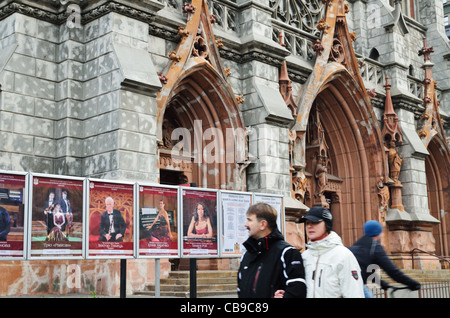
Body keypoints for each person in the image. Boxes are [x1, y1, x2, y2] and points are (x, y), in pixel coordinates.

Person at [238, 202, 306, 298]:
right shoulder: (247, 255)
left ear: (263, 224)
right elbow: (241, 290)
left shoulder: (287, 253)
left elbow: (297, 290)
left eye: (249, 220)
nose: (245, 224)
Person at [299, 206, 364, 298]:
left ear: (327, 224)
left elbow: (354, 292)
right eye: (307, 223)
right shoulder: (305, 256)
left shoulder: (343, 255)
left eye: (315, 222)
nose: (309, 226)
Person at [349, 220, 421, 298]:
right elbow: (391, 270)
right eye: (381, 231)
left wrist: (382, 283)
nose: (383, 234)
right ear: (377, 232)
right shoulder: (375, 247)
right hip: (355, 284)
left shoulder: (358, 244)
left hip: (348, 282)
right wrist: (412, 283)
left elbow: (364, 269)